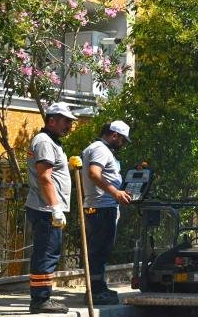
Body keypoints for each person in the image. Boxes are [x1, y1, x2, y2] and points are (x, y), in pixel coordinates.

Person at [26, 102, 77, 314]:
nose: (69, 126)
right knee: (46, 254)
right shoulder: (45, 142)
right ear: (52, 120)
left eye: (71, 122)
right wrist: (56, 207)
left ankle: (42, 297)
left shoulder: (51, 142)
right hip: (46, 209)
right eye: (66, 121)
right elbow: (45, 177)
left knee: (48, 253)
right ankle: (40, 300)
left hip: (48, 208)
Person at [80, 121, 132, 305]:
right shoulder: (100, 149)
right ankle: (95, 291)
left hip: (100, 206)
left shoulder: (95, 149)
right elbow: (94, 173)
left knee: (99, 249)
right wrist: (115, 192)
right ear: (114, 135)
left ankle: (98, 286)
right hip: (101, 207)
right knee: (99, 250)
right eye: (123, 140)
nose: (123, 145)